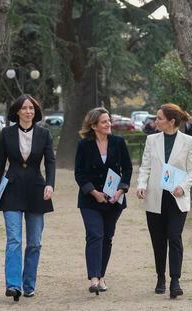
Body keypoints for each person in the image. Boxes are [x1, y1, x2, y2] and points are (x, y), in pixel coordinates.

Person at [0, 94, 55, 302]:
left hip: (36, 190)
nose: (29, 112)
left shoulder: (44, 134)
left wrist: (50, 184)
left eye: (32, 109)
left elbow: (51, 162)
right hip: (11, 189)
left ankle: (28, 284)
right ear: (17, 111)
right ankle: (13, 285)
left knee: (34, 242)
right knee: (14, 239)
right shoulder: (7, 133)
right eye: (25, 108)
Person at [136, 103, 192, 299]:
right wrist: (141, 185)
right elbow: (145, 166)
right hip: (155, 197)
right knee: (158, 240)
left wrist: (183, 186)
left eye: (159, 118)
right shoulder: (151, 140)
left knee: (174, 237)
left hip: (177, 197)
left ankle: (175, 281)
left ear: (172, 121)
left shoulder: (188, 142)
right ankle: (160, 277)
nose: (156, 122)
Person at [74, 107, 133, 295]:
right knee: (94, 235)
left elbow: (128, 169)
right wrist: (94, 192)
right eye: (104, 122)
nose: (109, 124)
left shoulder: (118, 142)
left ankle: (101, 276)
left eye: (109, 120)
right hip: (90, 200)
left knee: (107, 237)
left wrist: (121, 190)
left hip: (114, 200)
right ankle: (93, 278)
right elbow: (79, 173)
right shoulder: (84, 145)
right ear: (93, 126)